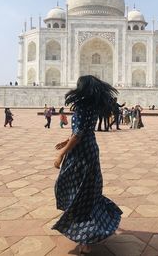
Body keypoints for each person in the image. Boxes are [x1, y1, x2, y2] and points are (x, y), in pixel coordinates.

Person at [52, 75, 122, 254]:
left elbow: (79, 133)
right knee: (87, 189)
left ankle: (85, 239)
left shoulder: (83, 107)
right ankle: (89, 232)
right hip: (90, 148)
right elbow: (80, 131)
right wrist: (66, 141)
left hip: (81, 152)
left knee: (76, 189)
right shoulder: (93, 106)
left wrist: (62, 153)